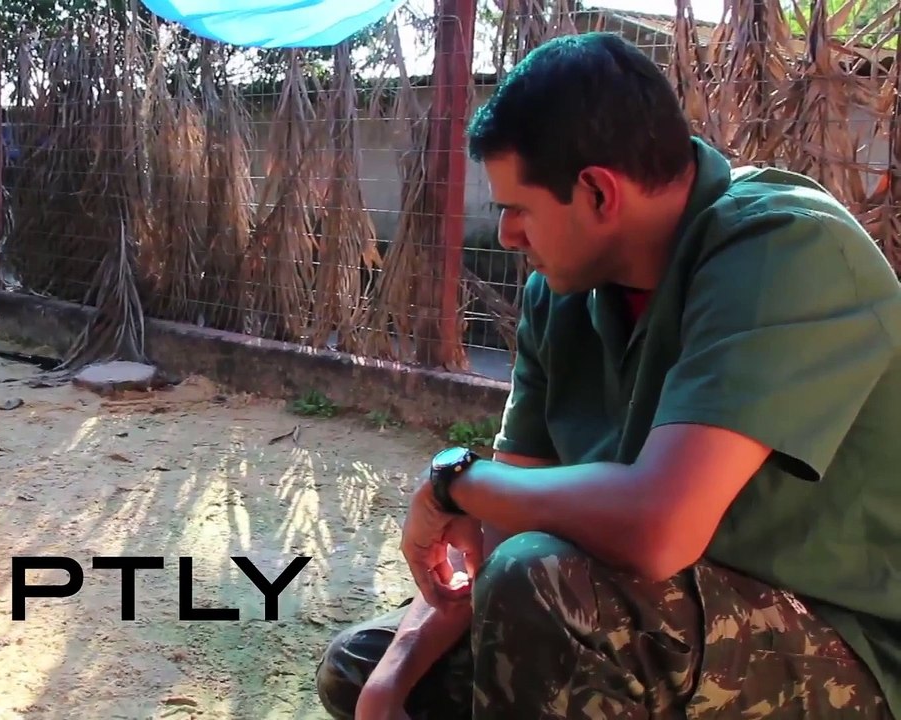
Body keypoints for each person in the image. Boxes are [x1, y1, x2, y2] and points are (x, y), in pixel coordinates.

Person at [315, 31, 901, 720]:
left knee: (542, 585)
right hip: (673, 606)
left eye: (517, 209)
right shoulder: (560, 295)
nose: (506, 234)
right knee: (362, 667)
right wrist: (393, 676)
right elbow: (507, 510)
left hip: (847, 643)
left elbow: (658, 527)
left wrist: (455, 483)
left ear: (597, 191)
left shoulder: (786, 246)